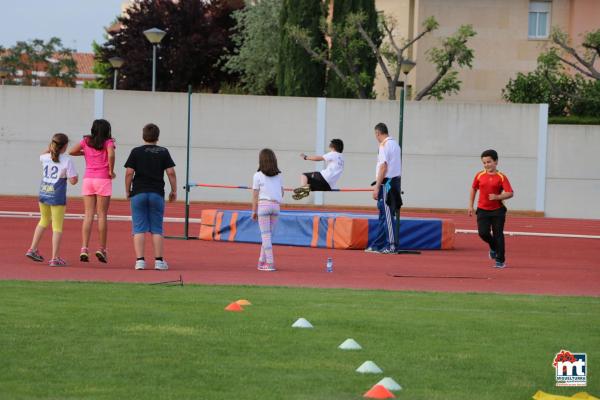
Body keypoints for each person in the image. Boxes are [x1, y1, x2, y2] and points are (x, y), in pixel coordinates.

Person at [124, 123, 177, 271]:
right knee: (157, 228)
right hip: (156, 193)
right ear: (157, 137)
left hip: (139, 192)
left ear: (143, 136)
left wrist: (127, 190)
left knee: (139, 228)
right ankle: (159, 261)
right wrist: (174, 191)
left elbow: (129, 173)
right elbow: (171, 172)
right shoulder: (163, 152)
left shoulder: (135, 152)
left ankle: (140, 260)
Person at [26, 133, 78, 267]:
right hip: (57, 196)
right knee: (57, 226)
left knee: (43, 220)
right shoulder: (67, 160)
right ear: (65, 146)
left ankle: (32, 248)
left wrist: (50, 148)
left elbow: (44, 154)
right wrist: (74, 176)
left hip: (44, 193)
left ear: (52, 145)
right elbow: (73, 181)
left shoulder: (44, 157)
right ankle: (54, 258)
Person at [69, 119, 115, 263]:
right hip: (103, 179)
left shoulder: (86, 141)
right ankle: (102, 248)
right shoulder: (108, 142)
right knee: (102, 215)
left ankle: (84, 248)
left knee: (88, 214)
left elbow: (71, 151)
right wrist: (111, 170)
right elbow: (111, 154)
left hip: (88, 179)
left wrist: (85, 153)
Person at [468, 149, 514, 268]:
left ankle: (500, 260)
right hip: (482, 209)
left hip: (498, 211)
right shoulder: (479, 175)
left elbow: (510, 193)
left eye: (489, 162)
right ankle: (493, 248)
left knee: (498, 234)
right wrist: (470, 205)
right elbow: (473, 189)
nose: (486, 165)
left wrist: (497, 196)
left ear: (496, 162)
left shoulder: (501, 177)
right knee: (483, 233)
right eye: (484, 163)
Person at [365, 122, 402, 254]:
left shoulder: (384, 145)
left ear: (378, 133)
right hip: (393, 181)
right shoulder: (395, 144)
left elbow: (383, 167)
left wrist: (376, 187)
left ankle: (391, 245)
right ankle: (378, 244)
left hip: (387, 183)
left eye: (375, 134)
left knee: (387, 215)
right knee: (383, 215)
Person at [251, 148, 284, 272]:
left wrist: (253, 211)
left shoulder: (257, 175)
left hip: (263, 206)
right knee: (268, 236)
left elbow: (255, 195)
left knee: (265, 236)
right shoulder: (279, 175)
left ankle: (270, 263)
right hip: (276, 207)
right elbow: (281, 192)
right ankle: (261, 261)